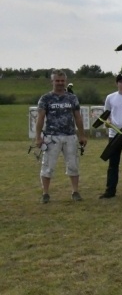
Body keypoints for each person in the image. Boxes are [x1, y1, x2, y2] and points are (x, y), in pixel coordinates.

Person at [35, 69, 87, 203]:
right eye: (57, 81)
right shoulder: (45, 98)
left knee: (73, 165)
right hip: (52, 137)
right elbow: (40, 118)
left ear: (66, 81)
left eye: (62, 81)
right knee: (48, 166)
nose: (59, 83)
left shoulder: (72, 98)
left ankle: (75, 191)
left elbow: (78, 117)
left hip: (70, 136)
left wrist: (82, 135)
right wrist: (38, 137)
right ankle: (45, 193)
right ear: (52, 81)